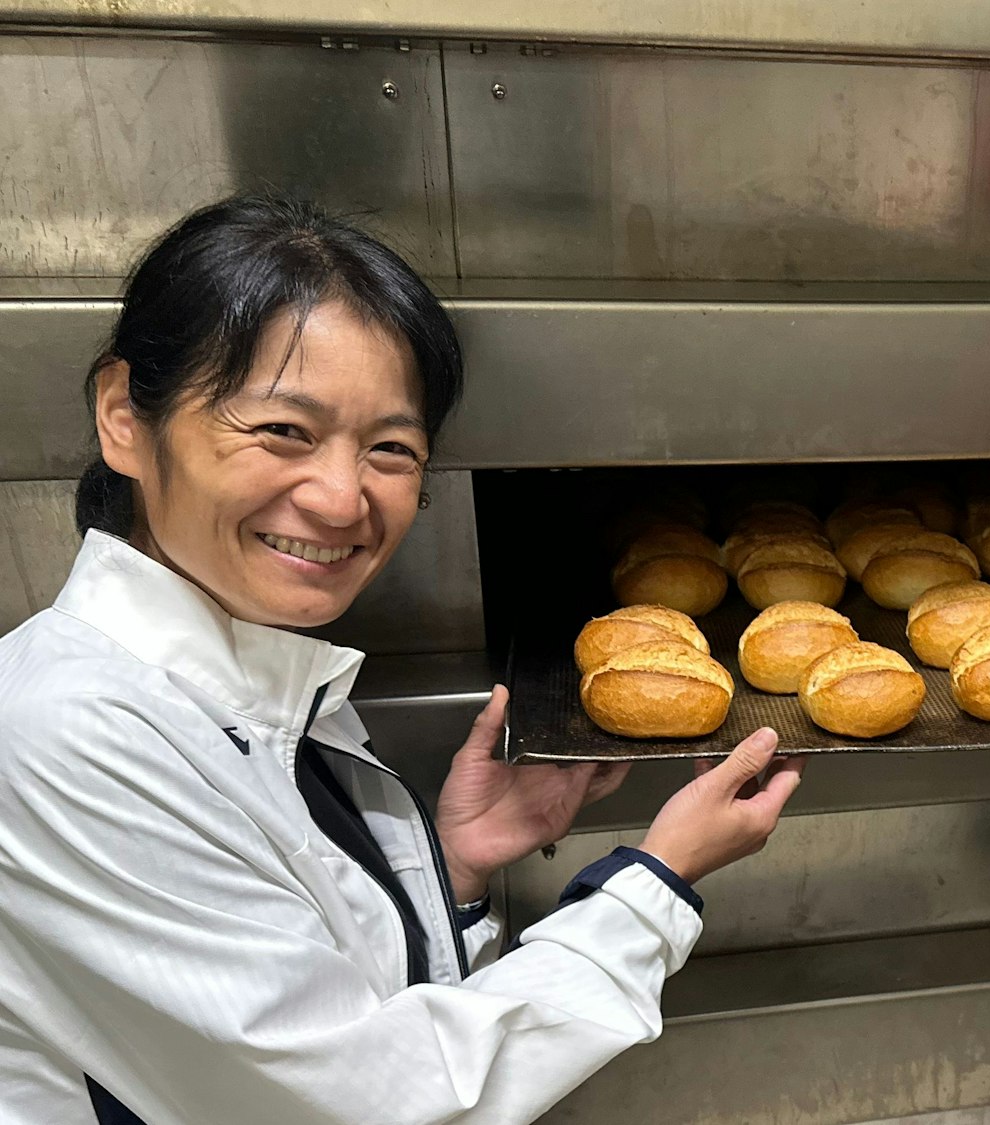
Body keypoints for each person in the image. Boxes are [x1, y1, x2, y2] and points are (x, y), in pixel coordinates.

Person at [0, 197, 802, 1124]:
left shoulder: (256, 679)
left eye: (390, 448)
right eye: (283, 432)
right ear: (124, 417)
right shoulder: (62, 734)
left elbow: (314, 989)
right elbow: (364, 1103)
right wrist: (655, 883)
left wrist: (452, 863)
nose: (343, 500)